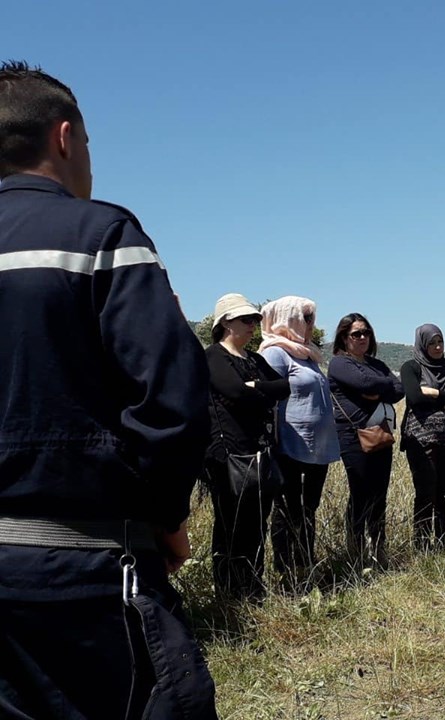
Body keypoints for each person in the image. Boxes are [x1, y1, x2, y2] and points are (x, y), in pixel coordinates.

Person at [0, 61, 217, 717]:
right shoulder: (101, 235)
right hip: (82, 573)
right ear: (65, 138)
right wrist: (164, 517)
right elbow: (172, 399)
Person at [205, 293, 290, 601]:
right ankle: (228, 594)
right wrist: (255, 393)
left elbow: (284, 387)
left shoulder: (254, 359)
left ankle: (253, 589)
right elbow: (233, 392)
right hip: (227, 456)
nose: (254, 325)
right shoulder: (214, 356)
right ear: (226, 322)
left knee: (256, 526)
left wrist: (256, 389)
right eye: (247, 320)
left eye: (256, 320)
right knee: (230, 527)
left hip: (259, 454)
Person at [259, 296, 339, 589]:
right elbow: (269, 399)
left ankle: (305, 566)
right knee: (287, 511)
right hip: (289, 446)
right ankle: (285, 573)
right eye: (304, 317)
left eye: (311, 318)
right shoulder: (275, 354)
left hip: (317, 448)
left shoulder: (309, 355)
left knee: (308, 509)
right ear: (286, 318)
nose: (309, 324)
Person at [328, 313, 404, 570]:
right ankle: (356, 551)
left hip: (379, 435)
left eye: (366, 333)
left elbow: (399, 389)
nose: (362, 338)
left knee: (379, 494)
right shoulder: (339, 364)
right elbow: (368, 382)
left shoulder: (376, 364)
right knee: (360, 493)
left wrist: (376, 388)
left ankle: (379, 548)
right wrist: (379, 386)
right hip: (352, 436)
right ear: (344, 338)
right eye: (356, 334)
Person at [399, 324, 445, 550]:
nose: (438, 347)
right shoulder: (411, 367)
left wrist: (434, 392)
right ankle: (421, 546)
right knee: (425, 491)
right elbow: (414, 398)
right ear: (422, 344)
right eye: (432, 343)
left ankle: (441, 544)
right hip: (420, 440)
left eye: (440, 342)